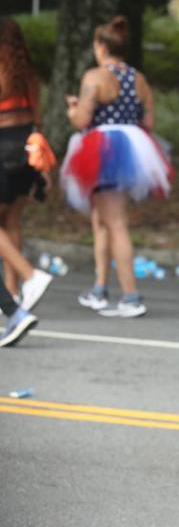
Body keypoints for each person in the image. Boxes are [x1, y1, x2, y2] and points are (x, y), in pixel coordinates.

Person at [60, 15, 172, 318]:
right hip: (131, 147)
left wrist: (72, 107)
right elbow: (148, 121)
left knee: (116, 223)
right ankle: (99, 288)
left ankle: (131, 296)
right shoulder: (139, 79)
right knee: (102, 220)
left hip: (102, 150)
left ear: (100, 46)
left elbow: (82, 120)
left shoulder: (94, 77)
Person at [0, 17, 53, 347]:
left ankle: (30, 276)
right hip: (28, 151)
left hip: (1, 150)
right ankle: (14, 300)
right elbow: (38, 117)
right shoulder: (27, 72)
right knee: (11, 223)